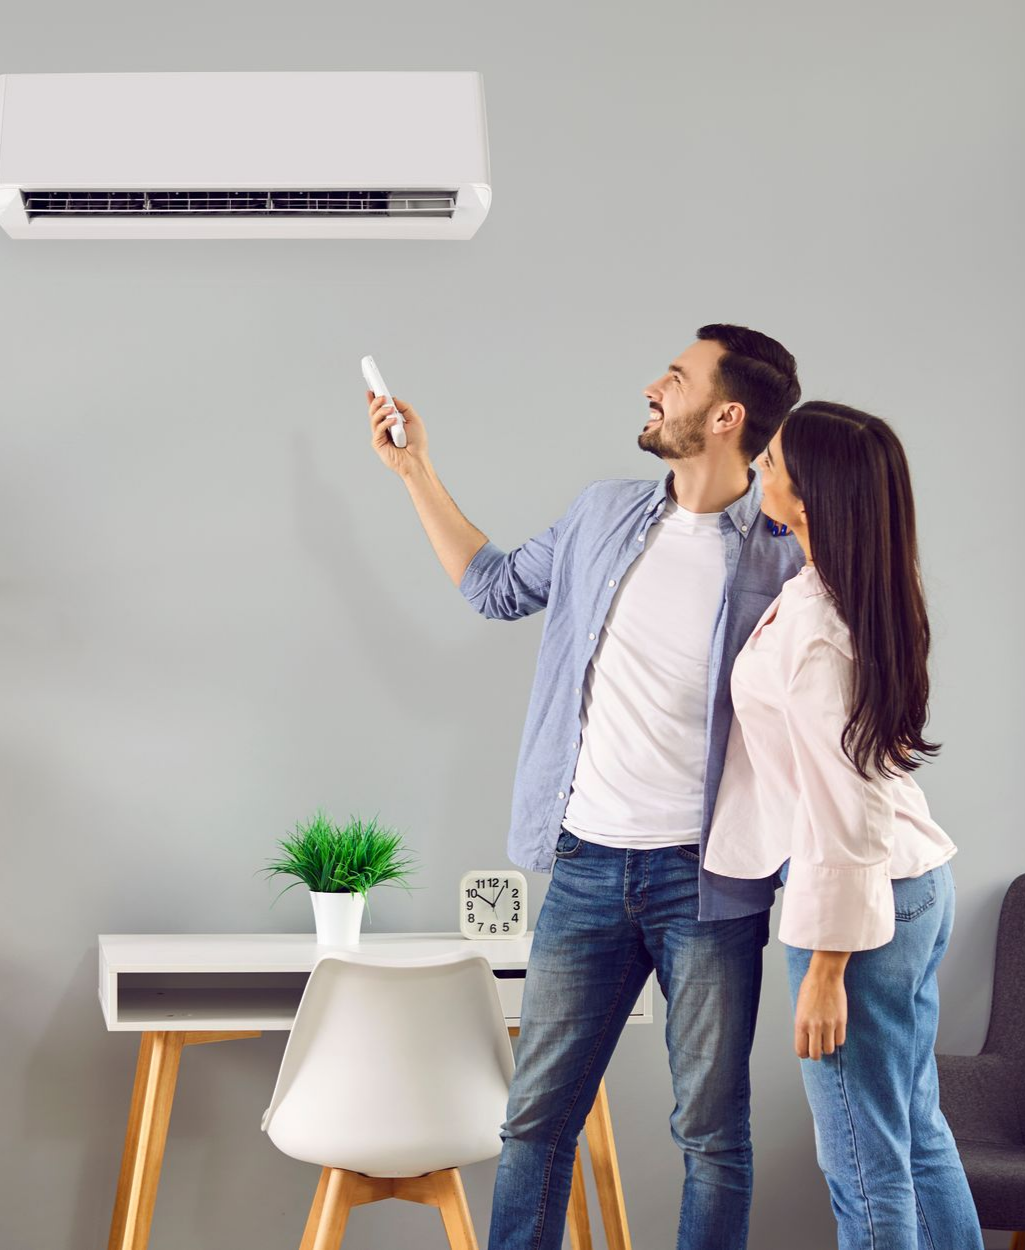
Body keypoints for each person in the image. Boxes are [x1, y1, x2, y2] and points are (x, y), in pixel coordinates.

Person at [366, 325, 802, 1250]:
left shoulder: (783, 557)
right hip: (588, 869)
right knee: (533, 1124)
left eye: (675, 379)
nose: (653, 386)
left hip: (709, 883)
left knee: (713, 1137)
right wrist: (416, 472)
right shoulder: (603, 515)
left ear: (727, 416)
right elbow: (492, 588)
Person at [705, 401, 982, 1249]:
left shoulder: (824, 631)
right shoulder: (848, 586)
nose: (764, 468)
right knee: (912, 1130)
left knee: (860, 1159)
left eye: (777, 461)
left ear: (812, 494)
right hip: (909, 885)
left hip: (859, 911)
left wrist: (826, 966)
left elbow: (847, 807)